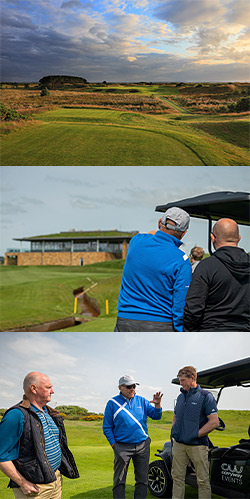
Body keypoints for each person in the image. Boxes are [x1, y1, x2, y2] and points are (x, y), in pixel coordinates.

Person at [0, 371, 79, 498]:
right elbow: (2, 456)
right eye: (48, 387)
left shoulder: (48, 412)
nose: (52, 391)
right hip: (34, 487)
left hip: (55, 480)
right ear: (34, 389)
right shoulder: (16, 415)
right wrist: (23, 483)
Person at [114, 207, 192, 332]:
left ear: (159, 222)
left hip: (125, 320)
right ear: (184, 233)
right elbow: (179, 304)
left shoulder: (136, 241)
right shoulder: (181, 260)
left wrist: (160, 229)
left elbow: (151, 233)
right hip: (160, 324)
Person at [183, 218, 250, 331]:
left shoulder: (207, 266)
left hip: (211, 334)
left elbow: (193, 307)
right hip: (245, 336)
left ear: (212, 238)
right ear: (239, 238)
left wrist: (190, 333)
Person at [103, 374, 163, 499]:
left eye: (134, 386)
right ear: (120, 387)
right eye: (129, 386)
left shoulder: (142, 401)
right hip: (122, 447)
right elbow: (107, 427)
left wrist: (157, 405)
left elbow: (156, 416)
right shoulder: (112, 403)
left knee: (142, 480)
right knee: (119, 480)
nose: (132, 389)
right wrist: (115, 446)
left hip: (142, 445)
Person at [171, 366, 219, 499]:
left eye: (183, 380)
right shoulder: (180, 397)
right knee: (177, 478)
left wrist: (195, 435)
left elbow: (214, 422)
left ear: (192, 378)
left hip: (198, 445)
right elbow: (175, 416)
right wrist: (175, 430)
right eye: (179, 380)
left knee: (203, 480)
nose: (180, 383)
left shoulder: (205, 396)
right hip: (179, 445)